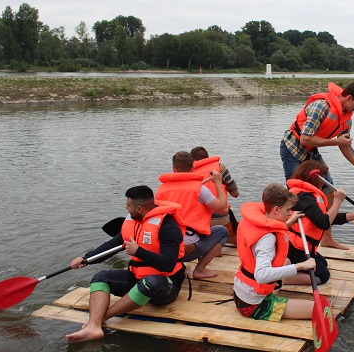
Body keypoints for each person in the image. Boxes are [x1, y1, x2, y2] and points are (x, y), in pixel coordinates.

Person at [65, 185, 186, 343]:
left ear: (139, 208)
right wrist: (86, 259)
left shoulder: (169, 228)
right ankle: (93, 327)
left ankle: (103, 317)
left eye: (128, 205)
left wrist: (139, 252)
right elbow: (111, 246)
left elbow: (168, 264)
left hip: (166, 285)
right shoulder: (133, 222)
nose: (126, 208)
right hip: (137, 278)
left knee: (150, 282)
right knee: (101, 277)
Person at [280, 81, 354, 250]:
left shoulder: (347, 118)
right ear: (349, 97)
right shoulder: (321, 107)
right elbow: (305, 139)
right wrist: (335, 141)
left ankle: (327, 238)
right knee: (296, 195)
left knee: (329, 191)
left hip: (311, 152)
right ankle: (288, 236)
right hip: (293, 149)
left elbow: (344, 145)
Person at [233, 183, 316, 321]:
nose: (290, 214)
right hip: (252, 305)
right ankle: (267, 303)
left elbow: (271, 227)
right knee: (318, 310)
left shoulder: (257, 221)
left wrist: (288, 224)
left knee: (287, 261)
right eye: (288, 210)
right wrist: (301, 266)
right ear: (276, 209)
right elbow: (261, 275)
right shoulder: (267, 240)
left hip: (241, 293)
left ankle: (268, 294)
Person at [286, 160, 354, 285]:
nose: (323, 183)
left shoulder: (307, 194)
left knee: (323, 263)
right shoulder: (303, 196)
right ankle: (278, 279)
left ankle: (286, 267)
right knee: (323, 276)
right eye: (322, 179)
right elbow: (324, 223)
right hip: (293, 247)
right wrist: (338, 201)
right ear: (314, 178)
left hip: (301, 247)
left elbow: (329, 218)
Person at [156, 151, 229, 279]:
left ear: (173, 168)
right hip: (188, 250)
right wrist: (217, 182)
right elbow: (223, 209)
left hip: (166, 249)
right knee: (222, 231)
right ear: (193, 168)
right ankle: (199, 269)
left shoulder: (161, 190)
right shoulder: (199, 189)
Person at [190, 146, 240, 244]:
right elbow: (235, 194)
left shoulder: (189, 172)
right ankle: (223, 240)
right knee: (240, 232)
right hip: (220, 219)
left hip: (198, 221)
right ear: (208, 158)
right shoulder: (220, 168)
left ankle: (213, 241)